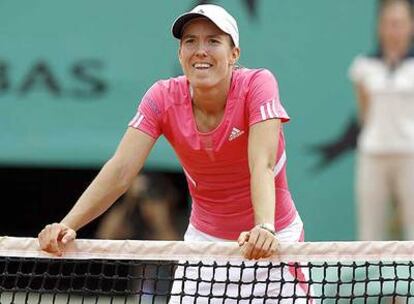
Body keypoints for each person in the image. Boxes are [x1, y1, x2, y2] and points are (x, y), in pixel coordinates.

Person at [38, 4, 310, 302]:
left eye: (213, 41)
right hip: (205, 249)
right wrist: (67, 225)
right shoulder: (162, 97)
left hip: (273, 244)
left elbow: (263, 164)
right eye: (190, 41)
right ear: (180, 55)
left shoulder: (258, 84)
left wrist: (264, 228)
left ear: (235, 54)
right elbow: (121, 170)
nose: (200, 50)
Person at [349, 0, 414, 241]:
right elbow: (364, 113)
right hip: (373, 155)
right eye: (389, 23)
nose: (394, 30)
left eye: (400, 23)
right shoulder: (363, 66)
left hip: (410, 155)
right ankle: (369, 279)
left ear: (411, 26)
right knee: (370, 232)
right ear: (379, 27)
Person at [95, 172, 180, 241]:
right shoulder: (132, 215)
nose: (148, 204)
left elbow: (176, 253)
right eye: (145, 200)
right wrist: (129, 201)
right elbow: (105, 236)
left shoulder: (183, 217)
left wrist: (160, 222)